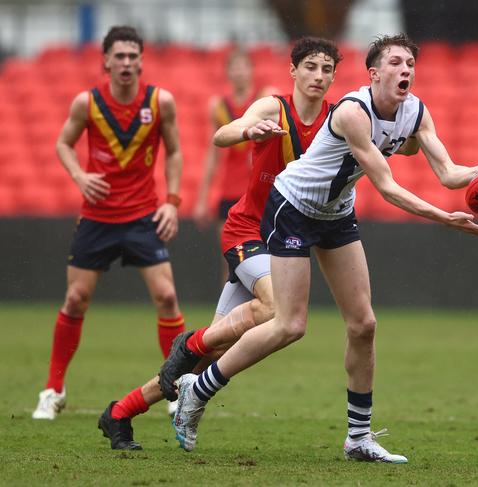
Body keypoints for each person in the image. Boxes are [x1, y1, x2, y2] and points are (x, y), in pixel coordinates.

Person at [166, 33, 478, 462]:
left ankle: (358, 438)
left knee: (364, 324)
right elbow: (387, 188)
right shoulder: (352, 112)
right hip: (293, 207)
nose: (406, 71)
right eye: (396, 63)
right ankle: (200, 387)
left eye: (411, 65)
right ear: (374, 73)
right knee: (290, 324)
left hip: (337, 213)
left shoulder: (415, 112)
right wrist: (445, 218)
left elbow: (451, 174)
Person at [98, 37, 342, 450]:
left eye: (326, 69)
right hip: (247, 230)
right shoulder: (273, 106)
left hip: (282, 240)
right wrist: (249, 129)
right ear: (293, 71)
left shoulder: (339, 118)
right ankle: (190, 341)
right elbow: (222, 134)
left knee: (211, 355)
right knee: (275, 308)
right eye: (311, 67)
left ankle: (120, 411)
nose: (319, 76)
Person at [32, 26, 185, 420]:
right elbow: (62, 143)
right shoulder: (88, 103)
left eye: (134, 56)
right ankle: (53, 389)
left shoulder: (160, 101)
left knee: (167, 297)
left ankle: (177, 386)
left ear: (141, 61)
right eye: (120, 56)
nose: (127, 63)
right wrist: (80, 177)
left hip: (142, 216)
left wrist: (171, 202)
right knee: (75, 300)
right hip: (97, 218)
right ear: (105, 61)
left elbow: (174, 152)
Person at [193, 48, 272, 282]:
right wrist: (201, 199)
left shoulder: (264, 99)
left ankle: (267, 310)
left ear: (251, 70)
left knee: (266, 254)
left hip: (259, 189)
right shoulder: (218, 106)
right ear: (227, 73)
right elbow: (213, 154)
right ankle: (228, 312)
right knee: (230, 259)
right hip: (230, 190)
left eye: (243, 67)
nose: (239, 73)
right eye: (234, 68)